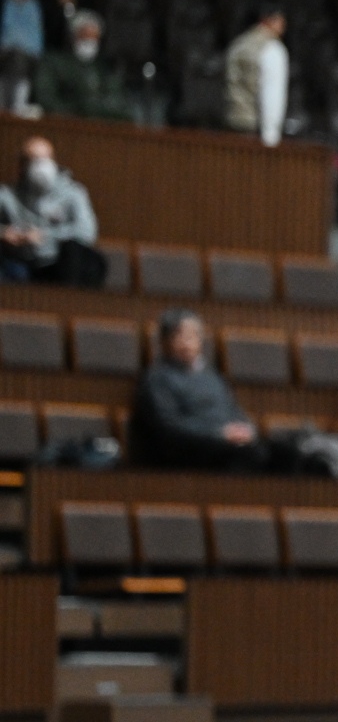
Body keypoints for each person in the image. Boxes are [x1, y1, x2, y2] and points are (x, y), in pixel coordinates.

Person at [132, 312, 270, 472]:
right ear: (165, 342)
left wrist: (245, 429)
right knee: (251, 457)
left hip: (222, 446)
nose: (187, 343)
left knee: (283, 453)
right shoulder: (157, 379)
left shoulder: (212, 377)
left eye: (192, 336)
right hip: (187, 453)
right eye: (179, 336)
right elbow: (168, 426)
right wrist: (219, 434)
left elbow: (232, 409)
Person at [0, 137, 102, 285]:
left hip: (57, 263)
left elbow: (87, 232)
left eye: (45, 159)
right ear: (21, 165)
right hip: (19, 262)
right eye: (33, 160)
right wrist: (4, 234)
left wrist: (45, 235)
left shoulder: (73, 193)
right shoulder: (7, 195)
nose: (41, 165)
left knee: (82, 255)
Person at [34, 10, 133, 121]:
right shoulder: (54, 63)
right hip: (67, 123)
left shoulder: (104, 69)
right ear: (73, 36)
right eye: (85, 35)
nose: (90, 41)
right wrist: (78, 111)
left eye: (94, 37)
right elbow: (46, 98)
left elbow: (117, 101)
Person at [223, 3, 288, 146]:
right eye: (280, 19)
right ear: (267, 19)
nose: (283, 25)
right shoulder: (272, 49)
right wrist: (271, 137)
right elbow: (272, 94)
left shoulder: (238, 45)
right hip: (255, 130)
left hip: (231, 123)